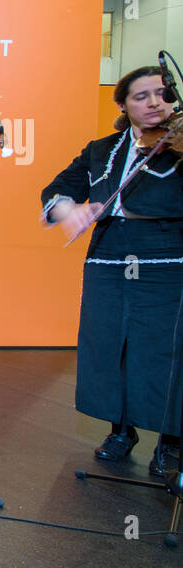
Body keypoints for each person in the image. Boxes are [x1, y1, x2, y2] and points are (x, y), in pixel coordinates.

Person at [41, 66, 182, 477]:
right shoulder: (101, 149)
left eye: (162, 94)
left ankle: (171, 439)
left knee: (163, 349)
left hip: (166, 254)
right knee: (110, 345)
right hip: (108, 255)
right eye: (142, 96)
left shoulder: (179, 144)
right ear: (122, 104)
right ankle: (121, 430)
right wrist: (70, 209)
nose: (155, 103)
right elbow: (56, 190)